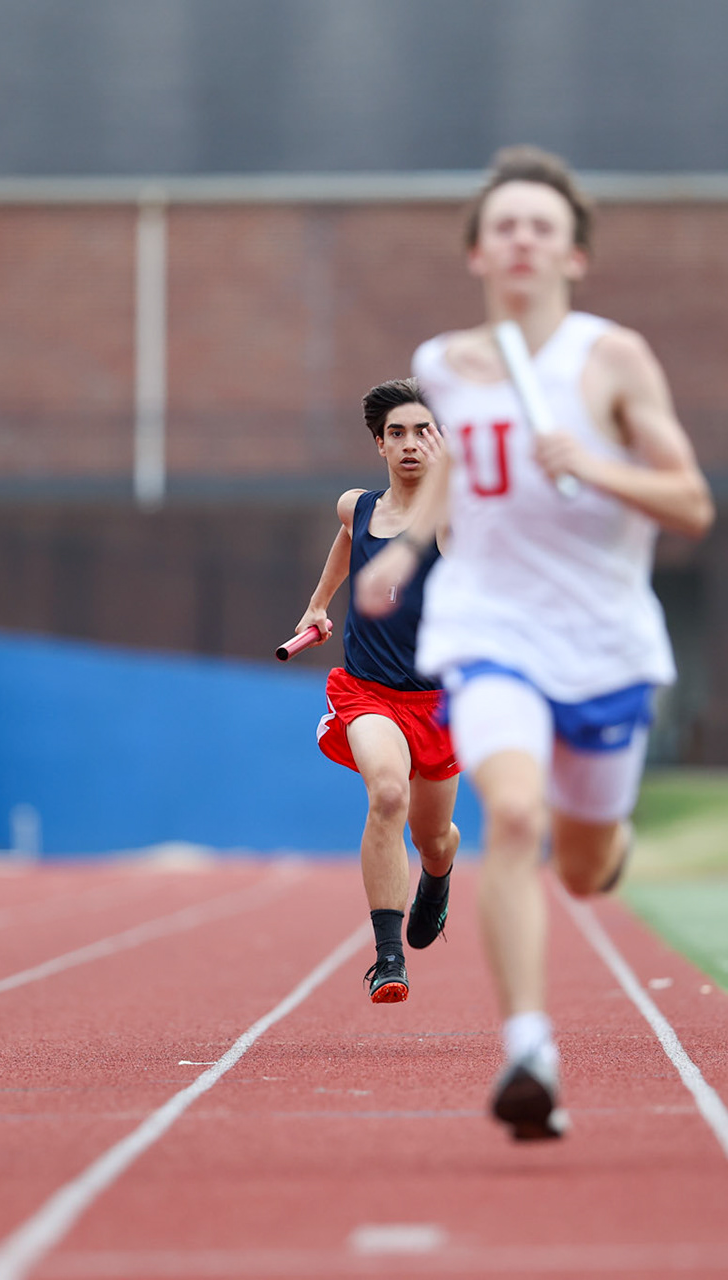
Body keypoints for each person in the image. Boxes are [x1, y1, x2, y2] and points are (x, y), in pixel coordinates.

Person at [357, 146, 714, 1140]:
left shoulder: (614, 359)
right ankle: (527, 1047)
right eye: (504, 225)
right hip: (490, 626)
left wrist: (598, 466)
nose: (522, 239)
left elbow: (690, 502)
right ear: (477, 252)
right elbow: (456, 474)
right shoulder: (444, 363)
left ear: (574, 255)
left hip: (601, 640)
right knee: (512, 816)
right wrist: (405, 551)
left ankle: (610, 839)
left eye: (541, 226)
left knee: (585, 867)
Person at [294, 378, 461, 1005]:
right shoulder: (357, 506)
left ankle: (438, 879)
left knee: (432, 836)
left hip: (439, 702)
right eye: (398, 434)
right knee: (386, 794)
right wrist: (317, 604)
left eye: (424, 432)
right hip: (369, 692)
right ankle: (388, 958)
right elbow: (349, 539)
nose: (411, 445)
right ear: (379, 445)